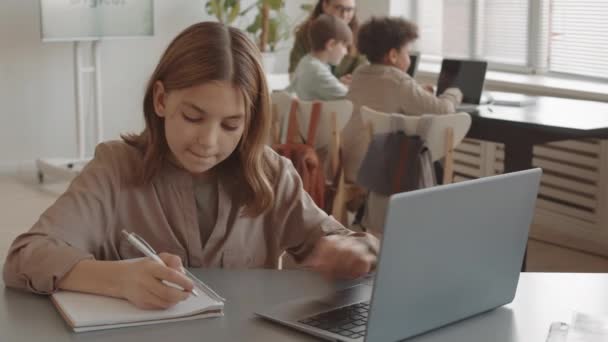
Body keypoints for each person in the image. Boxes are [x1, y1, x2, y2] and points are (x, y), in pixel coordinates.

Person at [2, 22, 379, 310]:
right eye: (194, 117)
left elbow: (343, 241)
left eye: (231, 125)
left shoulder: (272, 173)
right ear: (162, 99)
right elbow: (25, 257)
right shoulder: (115, 168)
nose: (209, 141)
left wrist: (353, 251)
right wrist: (117, 279)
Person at [341, 16, 463, 183]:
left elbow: (385, 89)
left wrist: (417, 89)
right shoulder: (399, 82)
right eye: (406, 52)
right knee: (434, 164)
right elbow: (444, 110)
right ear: (393, 55)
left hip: (347, 165)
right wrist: (453, 93)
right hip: (378, 173)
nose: (409, 58)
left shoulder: (360, 73)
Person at [289, 0, 366, 83]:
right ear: (325, 5)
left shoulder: (359, 36)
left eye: (349, 10)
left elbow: (363, 75)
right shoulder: (305, 33)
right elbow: (294, 76)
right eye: (338, 8)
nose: (344, 15)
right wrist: (335, 84)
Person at [286, 14, 352, 101]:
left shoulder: (306, 61)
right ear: (331, 45)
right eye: (344, 46)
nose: (346, 52)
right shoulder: (317, 71)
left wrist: (339, 84)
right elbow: (350, 99)